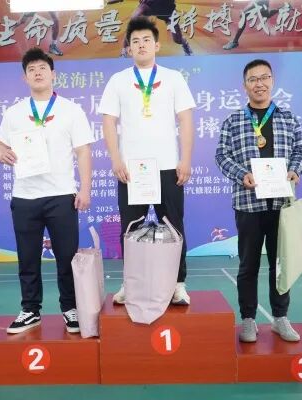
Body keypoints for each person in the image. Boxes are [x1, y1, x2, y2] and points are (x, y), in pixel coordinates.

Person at [0, 47, 94, 334]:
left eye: (42, 68)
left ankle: (70, 308)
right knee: (27, 257)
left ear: (53, 75)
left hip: (61, 196)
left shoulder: (71, 110)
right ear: (24, 78)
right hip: (25, 196)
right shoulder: (14, 112)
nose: (37, 73)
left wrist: (85, 189)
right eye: (31, 70)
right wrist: (0, 152)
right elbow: (0, 145)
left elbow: (83, 151)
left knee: (67, 257)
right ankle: (30, 309)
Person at [98, 16, 196, 305]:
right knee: (131, 228)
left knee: (174, 225)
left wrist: (185, 159)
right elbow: (108, 121)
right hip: (131, 169)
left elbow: (186, 120)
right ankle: (131, 283)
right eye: (135, 41)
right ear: (129, 48)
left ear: (157, 45)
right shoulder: (118, 80)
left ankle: (178, 283)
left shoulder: (174, 78)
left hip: (167, 166)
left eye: (146, 40)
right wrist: (116, 159)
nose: (141, 45)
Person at [215, 59, 302, 342]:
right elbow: (221, 156)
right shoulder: (233, 121)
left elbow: (300, 152)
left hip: (281, 205)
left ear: (272, 81)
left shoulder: (288, 118)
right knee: (248, 265)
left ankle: (280, 318)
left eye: (264, 78)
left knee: (280, 263)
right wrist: (241, 174)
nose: (259, 84)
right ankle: (248, 319)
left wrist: (295, 170)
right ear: (245, 86)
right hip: (248, 204)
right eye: (253, 79)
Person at [120, 0, 193, 57]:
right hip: (149, 5)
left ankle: (184, 44)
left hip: (167, 9)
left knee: (177, 40)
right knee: (133, 21)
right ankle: (124, 51)